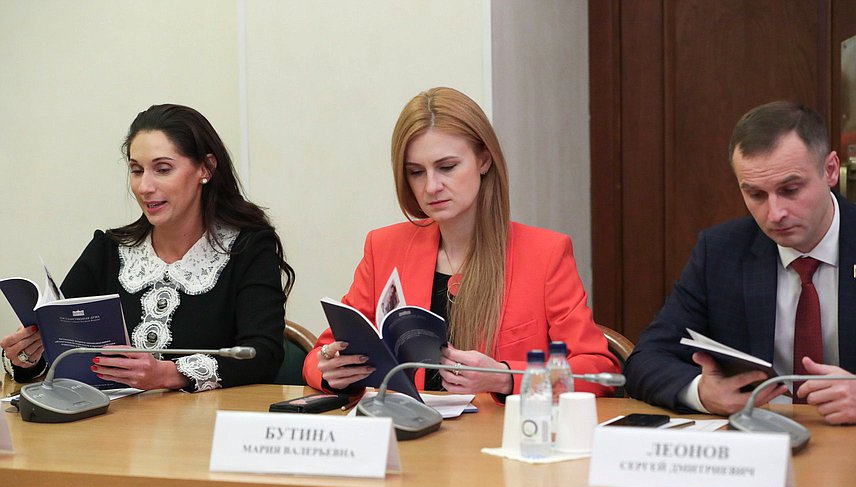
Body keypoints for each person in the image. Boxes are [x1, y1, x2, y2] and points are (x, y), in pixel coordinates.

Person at [303, 87, 619, 399]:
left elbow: (597, 371)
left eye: (447, 167)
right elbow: (317, 357)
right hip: (410, 437)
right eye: (416, 172)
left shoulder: (545, 253)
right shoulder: (384, 246)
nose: (431, 186)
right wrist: (332, 373)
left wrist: (505, 378)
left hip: (498, 440)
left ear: (484, 160)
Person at [1, 104, 294, 391]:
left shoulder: (247, 248)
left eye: (162, 169)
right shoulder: (108, 250)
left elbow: (262, 354)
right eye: (137, 170)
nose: (144, 187)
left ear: (206, 168)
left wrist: (169, 374)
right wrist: (29, 358)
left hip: (204, 430)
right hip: (110, 430)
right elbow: (64, 351)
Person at [624, 100, 856, 425]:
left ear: (830, 170)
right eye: (756, 195)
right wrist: (701, 392)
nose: (775, 214)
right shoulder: (721, 251)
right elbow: (647, 358)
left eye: (790, 190)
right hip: (756, 442)